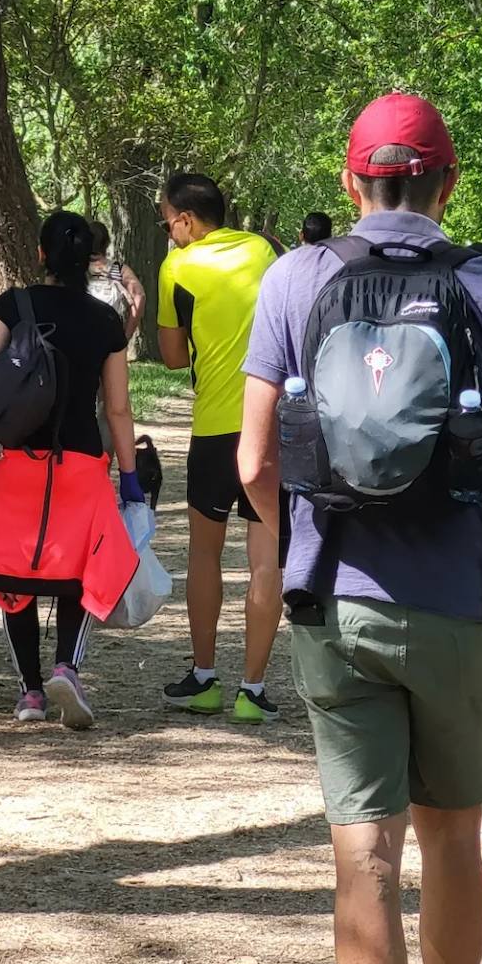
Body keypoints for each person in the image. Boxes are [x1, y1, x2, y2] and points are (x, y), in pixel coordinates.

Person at [239, 92, 482, 964]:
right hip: (459, 603)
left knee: (363, 856)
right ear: (448, 183)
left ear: (350, 180)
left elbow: (253, 461)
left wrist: (290, 555)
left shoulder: (295, 280)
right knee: (452, 836)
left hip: (334, 600)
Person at [0, 211, 144, 729]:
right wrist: (130, 479)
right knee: (80, 571)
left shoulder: (13, 305)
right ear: (91, 261)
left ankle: (31, 694)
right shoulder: (105, 322)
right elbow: (118, 409)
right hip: (79, 464)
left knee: (14, 576)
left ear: (40, 254)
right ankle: (67, 669)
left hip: (11, 460)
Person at [157, 172, 283, 723]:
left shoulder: (176, 268)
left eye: (167, 221)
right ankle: (252, 691)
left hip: (212, 430)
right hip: (271, 428)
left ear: (184, 220)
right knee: (265, 560)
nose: (168, 232)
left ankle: (204, 678)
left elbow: (172, 357)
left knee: (204, 554)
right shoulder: (266, 250)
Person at [87, 220, 147, 341]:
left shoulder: (76, 268)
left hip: (82, 335)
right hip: (111, 336)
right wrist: (126, 336)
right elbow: (139, 296)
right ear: (107, 243)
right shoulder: (119, 269)